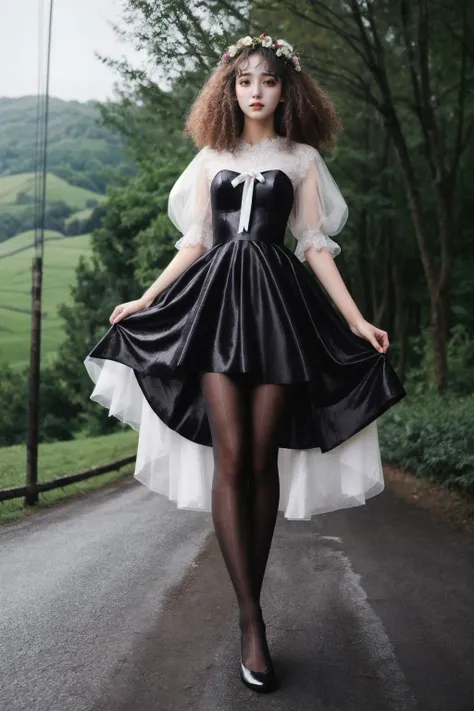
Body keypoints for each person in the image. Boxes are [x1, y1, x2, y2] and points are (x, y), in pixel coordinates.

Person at [84, 33, 406, 693]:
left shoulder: (303, 159)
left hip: (278, 311)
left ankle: (251, 598)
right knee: (233, 460)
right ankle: (252, 620)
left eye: (267, 80)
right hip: (214, 309)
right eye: (244, 81)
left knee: (261, 458)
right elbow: (196, 242)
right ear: (229, 90)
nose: (255, 90)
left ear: (286, 88)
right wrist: (145, 297)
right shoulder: (211, 158)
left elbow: (315, 246)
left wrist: (354, 318)